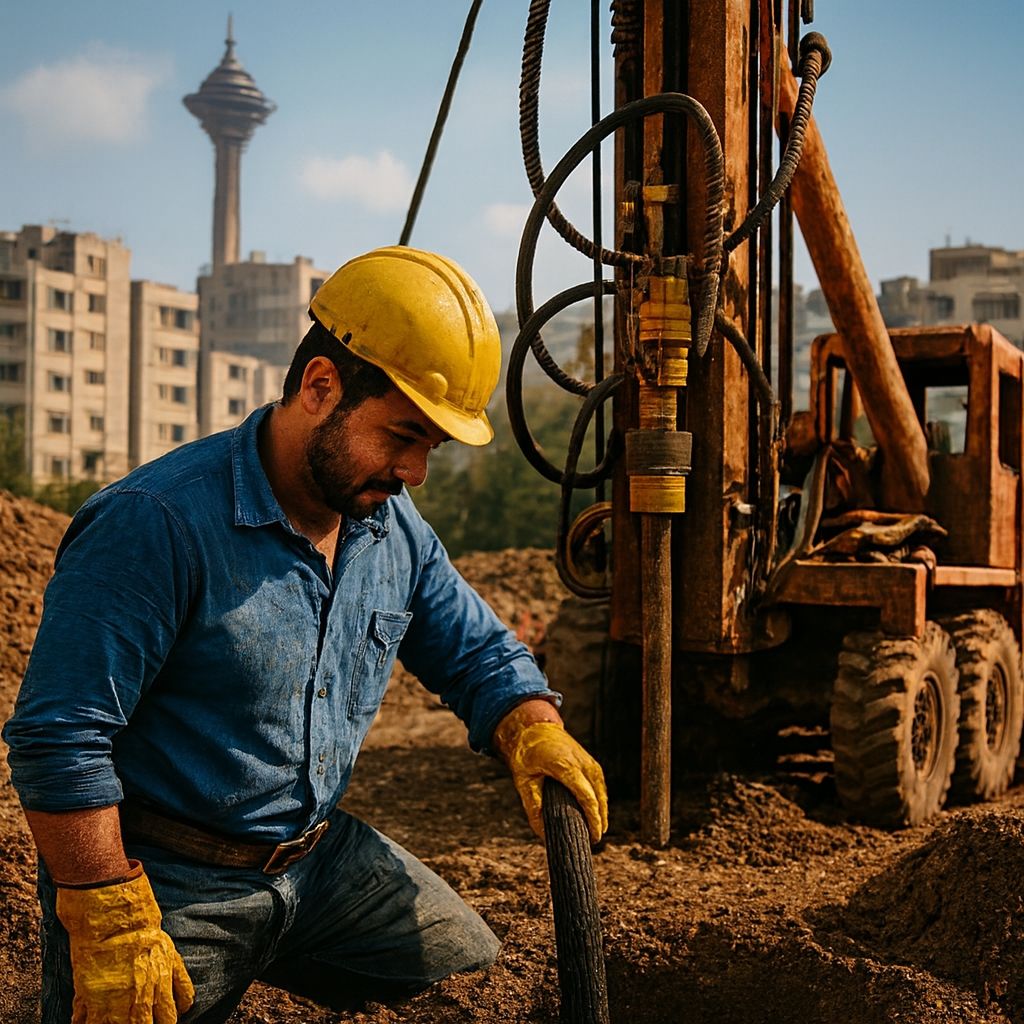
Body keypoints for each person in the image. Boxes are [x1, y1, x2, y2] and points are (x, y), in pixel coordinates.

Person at [3, 246, 608, 1024]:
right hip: (166, 880)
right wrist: (106, 910)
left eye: (433, 446)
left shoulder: (389, 528)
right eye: (402, 436)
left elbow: (479, 653)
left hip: (315, 864)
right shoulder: (155, 524)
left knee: (468, 977)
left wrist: (533, 730)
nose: (417, 472)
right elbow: (60, 738)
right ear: (321, 386)